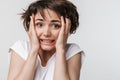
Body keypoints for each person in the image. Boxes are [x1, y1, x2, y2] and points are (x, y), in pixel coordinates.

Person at [8, 0, 84, 80]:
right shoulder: (21, 48)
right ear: (31, 26)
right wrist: (34, 50)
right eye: (40, 24)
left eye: (56, 26)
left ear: (67, 28)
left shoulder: (72, 51)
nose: (46, 33)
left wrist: (60, 49)